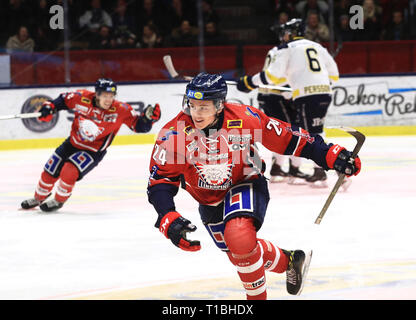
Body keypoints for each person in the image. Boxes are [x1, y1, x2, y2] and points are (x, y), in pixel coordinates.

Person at [147, 73, 361, 300]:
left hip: (246, 181)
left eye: (204, 107)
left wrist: (328, 154)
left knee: (239, 237)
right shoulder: (175, 134)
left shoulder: (243, 119)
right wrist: (167, 215)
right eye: (192, 105)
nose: (196, 113)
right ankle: (291, 261)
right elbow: (160, 181)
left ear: (219, 106)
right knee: (241, 254)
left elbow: (288, 138)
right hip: (208, 199)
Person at [21, 79, 161, 212]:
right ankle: (38, 197)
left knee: (69, 171)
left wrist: (148, 120)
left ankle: (59, 200)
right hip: (72, 143)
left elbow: (139, 126)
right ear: (97, 94)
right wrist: (49, 107)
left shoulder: (121, 110)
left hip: (93, 151)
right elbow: (62, 100)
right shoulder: (81, 98)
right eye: (105, 95)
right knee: (50, 169)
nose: (109, 99)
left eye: (112, 95)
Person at [237, 18, 340, 188]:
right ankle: (315, 168)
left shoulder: (286, 49)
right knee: (312, 130)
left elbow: (272, 77)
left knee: (311, 132)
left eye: (285, 32)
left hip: (306, 96)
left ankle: (322, 170)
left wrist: (248, 82)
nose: (283, 36)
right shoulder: (317, 46)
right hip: (324, 94)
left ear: (291, 33)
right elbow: (334, 75)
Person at [238, 24, 307, 184]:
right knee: (289, 131)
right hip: (276, 96)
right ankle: (293, 170)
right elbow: (276, 76)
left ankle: (278, 167)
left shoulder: (279, 50)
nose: (284, 36)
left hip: (270, 96)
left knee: (281, 131)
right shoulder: (286, 50)